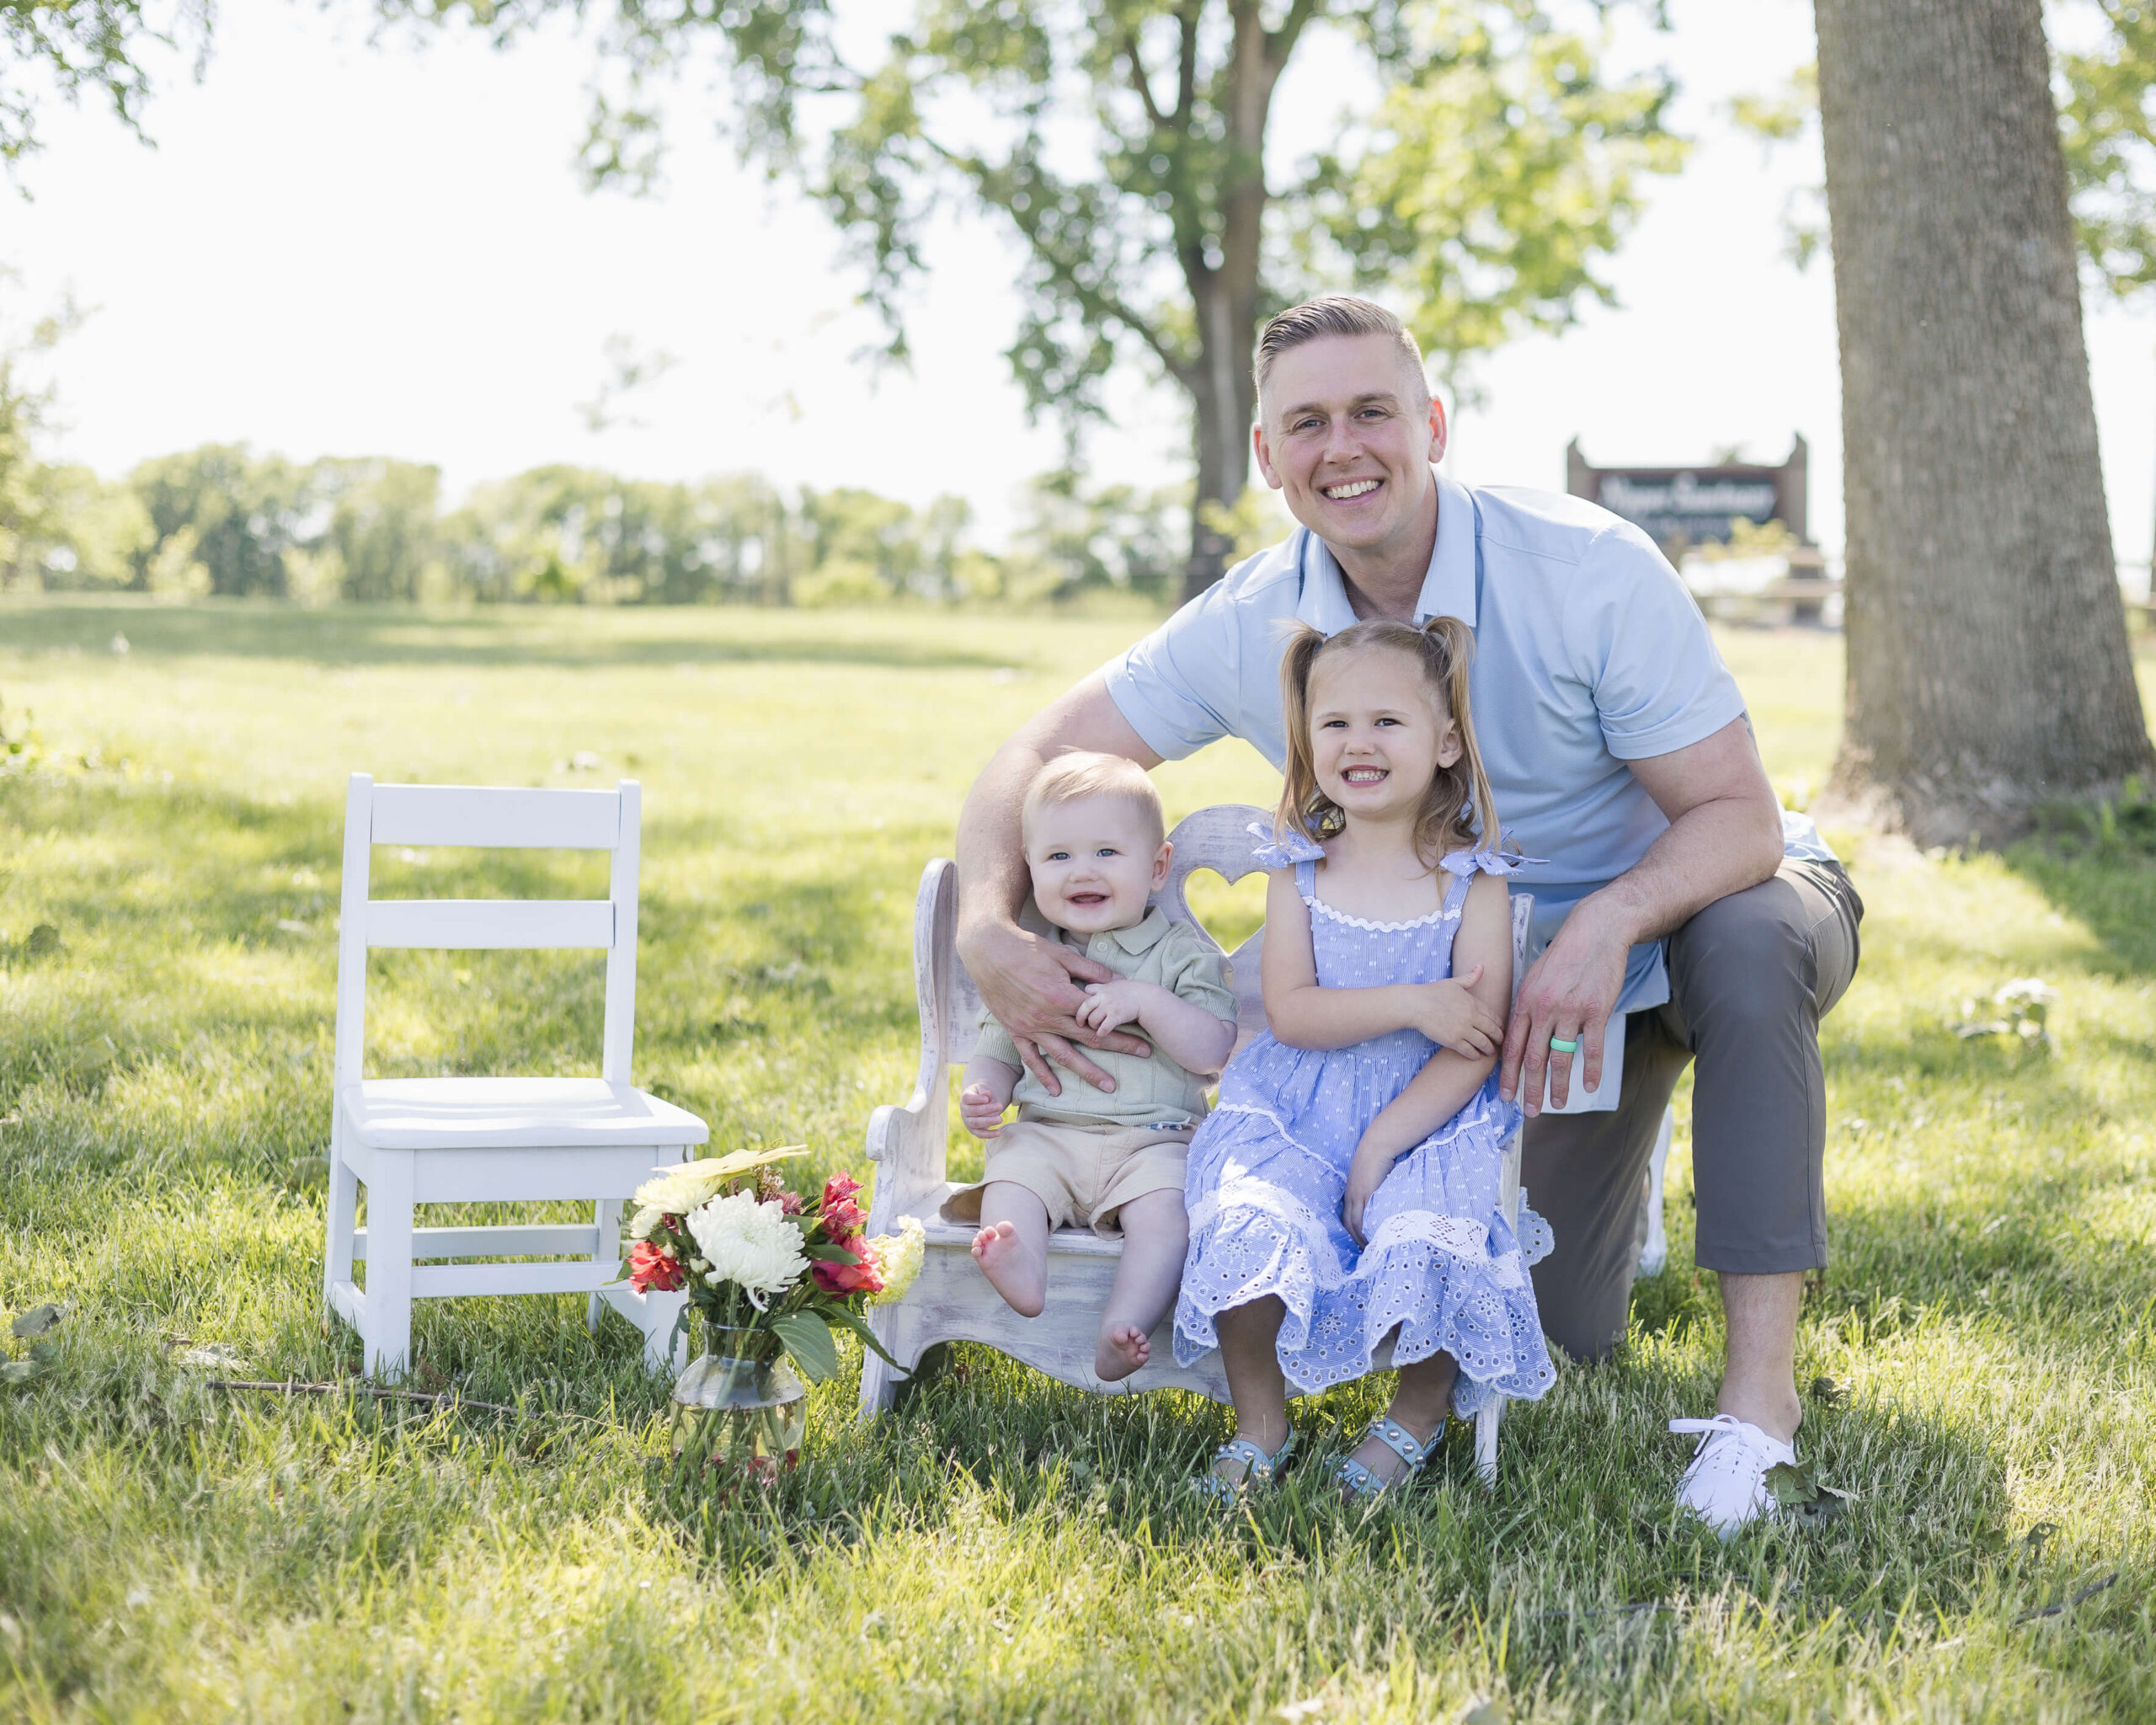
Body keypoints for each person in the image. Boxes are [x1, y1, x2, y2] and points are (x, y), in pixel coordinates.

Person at [953, 295, 1862, 1535]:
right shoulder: (1253, 616)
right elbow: (1030, 759)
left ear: (1431, 422)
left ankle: (1759, 1418)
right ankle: (1612, 1170)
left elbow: (1738, 819)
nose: (1345, 448)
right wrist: (985, 930)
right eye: (1308, 424)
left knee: (1752, 946)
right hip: (1481, 1007)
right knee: (1561, 1338)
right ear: (1267, 457)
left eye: (1374, 411)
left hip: (1685, 906)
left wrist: (1603, 925)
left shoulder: (1589, 568)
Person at [1178, 617, 1557, 1500]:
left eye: (1387, 721)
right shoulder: (1299, 870)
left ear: (1446, 742)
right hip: (1297, 1109)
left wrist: (1385, 1141)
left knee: (1430, 1233)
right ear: (1305, 742)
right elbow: (1294, 1013)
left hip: (1428, 1115)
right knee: (1248, 1218)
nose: (1358, 742)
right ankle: (1259, 1420)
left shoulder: (1475, 882)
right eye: (1334, 723)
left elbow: (1474, 1040)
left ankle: (1414, 1415)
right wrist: (1413, 1002)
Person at [942, 752, 1240, 1383]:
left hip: (1153, 1144)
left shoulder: (1181, 956)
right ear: (1029, 868)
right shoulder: (1034, 963)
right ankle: (1020, 1262)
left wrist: (1147, 1002)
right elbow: (998, 1048)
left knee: (1166, 1218)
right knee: (1013, 1176)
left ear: (1157, 867)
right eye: (1058, 857)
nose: (1083, 871)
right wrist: (983, 1093)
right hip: (1050, 1133)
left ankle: (1123, 1323)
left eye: (1107, 853)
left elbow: (1212, 1051)